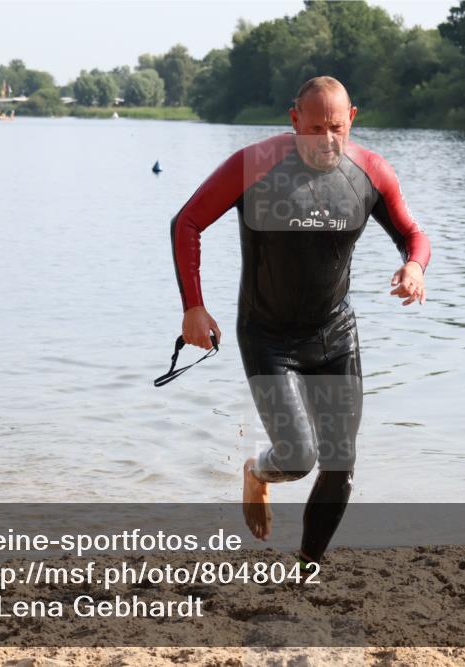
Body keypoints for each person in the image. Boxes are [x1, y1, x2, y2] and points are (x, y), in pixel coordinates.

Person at [170, 76, 431, 567]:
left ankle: (307, 565)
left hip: (334, 334)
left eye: (336, 127)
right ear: (294, 121)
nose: (327, 141)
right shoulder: (254, 165)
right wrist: (194, 306)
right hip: (268, 337)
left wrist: (415, 266)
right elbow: (187, 222)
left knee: (340, 465)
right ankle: (257, 472)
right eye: (315, 129)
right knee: (298, 457)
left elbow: (413, 234)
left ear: (351, 119)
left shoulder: (371, 171)